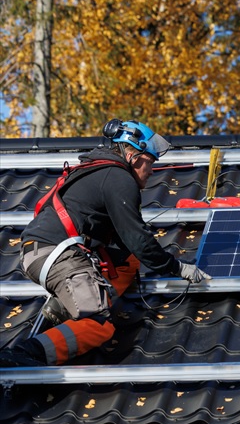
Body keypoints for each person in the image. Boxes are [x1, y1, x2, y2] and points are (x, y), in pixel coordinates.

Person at [0, 119, 212, 367]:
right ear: (133, 156)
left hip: (42, 251)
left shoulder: (98, 170)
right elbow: (138, 240)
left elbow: (128, 246)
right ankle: (26, 354)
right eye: (150, 161)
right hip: (58, 255)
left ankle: (66, 306)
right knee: (99, 325)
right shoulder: (119, 178)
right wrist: (177, 268)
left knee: (128, 262)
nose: (152, 170)